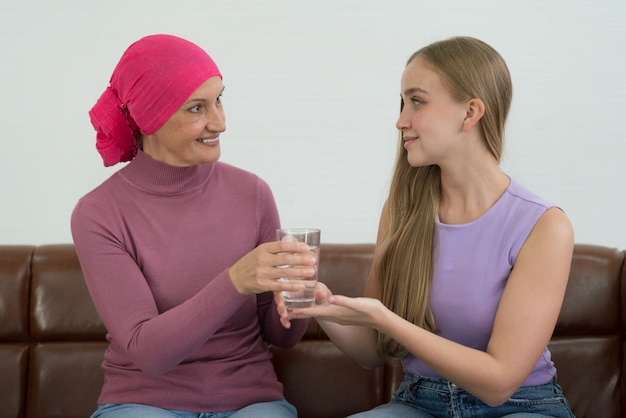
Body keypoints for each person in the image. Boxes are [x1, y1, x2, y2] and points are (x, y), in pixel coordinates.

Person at [281, 36, 576, 417]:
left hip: (520, 406)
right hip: (422, 401)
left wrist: (385, 318)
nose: (401, 120)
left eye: (416, 101)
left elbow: (499, 383)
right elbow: (373, 352)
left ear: (470, 113)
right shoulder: (401, 211)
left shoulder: (543, 225)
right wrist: (319, 305)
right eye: (402, 102)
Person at [71, 34, 317, 418]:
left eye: (219, 99)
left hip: (250, 402)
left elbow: (280, 337)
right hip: (143, 402)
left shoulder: (252, 193)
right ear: (148, 117)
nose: (220, 122)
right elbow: (148, 352)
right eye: (196, 108)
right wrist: (235, 280)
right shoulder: (99, 212)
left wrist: (297, 302)